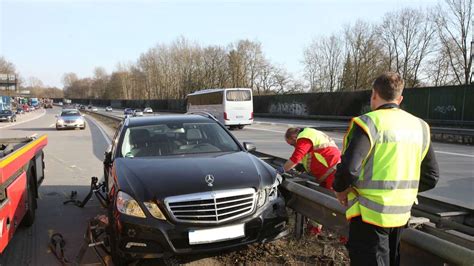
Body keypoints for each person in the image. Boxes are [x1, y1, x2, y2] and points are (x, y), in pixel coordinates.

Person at [333, 72, 439, 266]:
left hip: (368, 214)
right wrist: (398, 193)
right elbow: (431, 176)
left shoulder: (369, 123)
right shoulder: (420, 126)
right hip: (400, 216)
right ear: (400, 99)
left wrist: (340, 189)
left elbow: (349, 170)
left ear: (374, 94)